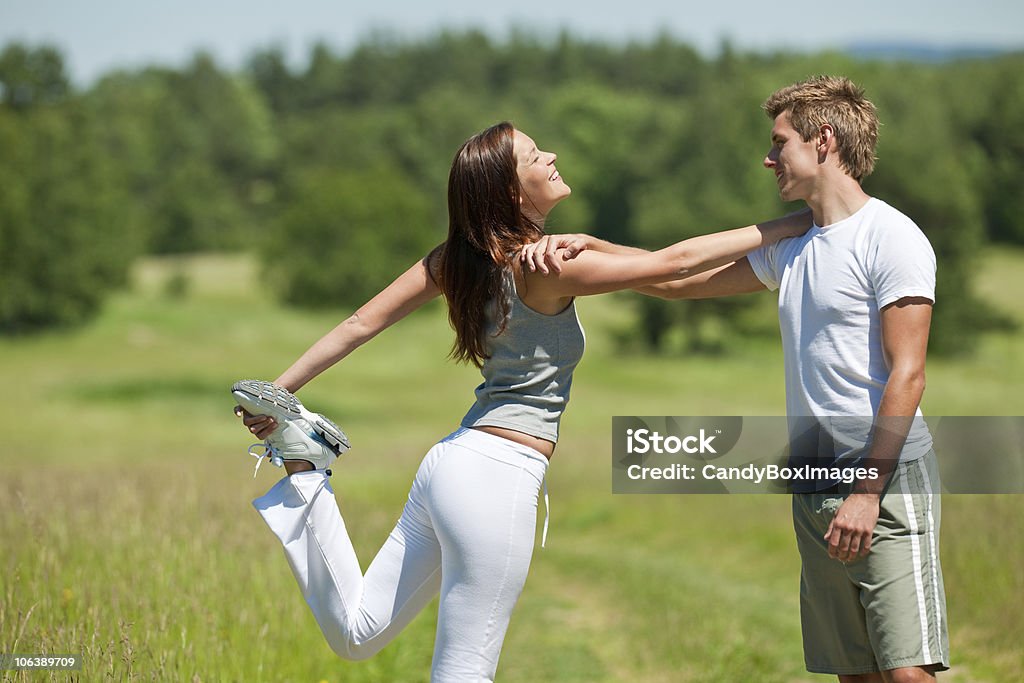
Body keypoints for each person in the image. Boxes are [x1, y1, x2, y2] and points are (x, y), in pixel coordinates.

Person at [235, 121, 810, 682]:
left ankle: (306, 469)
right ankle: (305, 464)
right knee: (464, 670)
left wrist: (281, 391)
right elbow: (672, 266)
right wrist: (797, 221)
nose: (552, 156)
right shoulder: (542, 266)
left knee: (357, 635)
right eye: (535, 156)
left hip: (450, 463)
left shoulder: (459, 259)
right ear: (512, 191)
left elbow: (361, 322)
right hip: (497, 475)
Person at [533, 76, 949, 682]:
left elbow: (908, 374)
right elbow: (674, 280)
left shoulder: (892, 237)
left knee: (907, 673)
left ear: (824, 140)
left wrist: (865, 493)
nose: (769, 156)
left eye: (780, 143)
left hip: (882, 480)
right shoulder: (798, 244)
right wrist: (592, 248)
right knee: (854, 672)